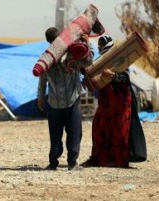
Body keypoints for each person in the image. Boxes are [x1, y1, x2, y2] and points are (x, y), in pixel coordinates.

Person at [81, 35, 146, 168]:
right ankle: (99, 158)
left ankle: (120, 160)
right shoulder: (100, 61)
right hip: (106, 102)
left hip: (121, 102)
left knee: (120, 130)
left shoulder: (121, 58)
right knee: (99, 127)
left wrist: (114, 76)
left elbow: (125, 78)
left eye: (101, 47)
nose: (100, 49)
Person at [37, 27, 94, 170]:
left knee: (55, 133)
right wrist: (88, 44)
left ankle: (53, 163)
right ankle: (72, 163)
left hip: (54, 101)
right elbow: (88, 61)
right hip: (71, 100)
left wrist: (41, 97)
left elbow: (42, 79)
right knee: (74, 132)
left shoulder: (46, 58)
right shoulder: (72, 54)